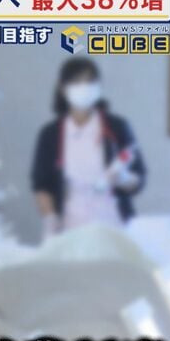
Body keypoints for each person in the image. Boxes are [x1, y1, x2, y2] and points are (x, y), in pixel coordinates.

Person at [31, 57, 147, 239]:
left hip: (114, 224)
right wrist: (50, 220)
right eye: (77, 82)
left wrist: (124, 179)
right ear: (63, 88)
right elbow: (42, 185)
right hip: (70, 226)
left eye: (90, 81)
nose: (84, 87)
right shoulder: (50, 134)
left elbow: (139, 178)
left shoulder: (117, 127)